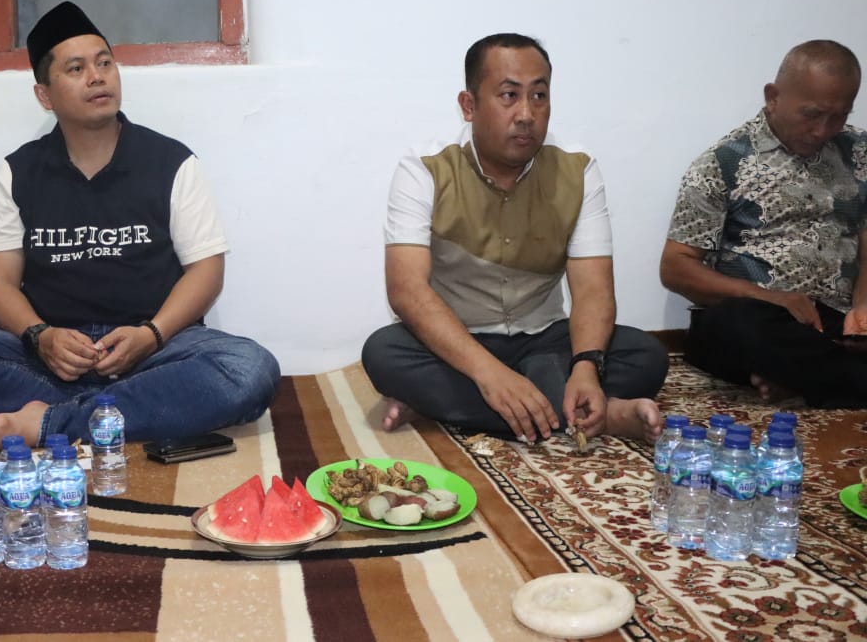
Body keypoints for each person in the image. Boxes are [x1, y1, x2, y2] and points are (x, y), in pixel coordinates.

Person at [0, 2, 279, 446]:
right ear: (45, 95)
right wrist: (41, 337)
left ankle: (49, 421)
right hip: (49, 355)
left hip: (154, 349)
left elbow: (206, 271)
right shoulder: (20, 171)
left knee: (248, 369)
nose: (97, 77)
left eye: (104, 63)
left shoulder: (170, 161)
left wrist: (151, 335)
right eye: (76, 69)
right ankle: (119, 410)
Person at [361, 33, 668, 444]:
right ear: (469, 106)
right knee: (383, 353)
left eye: (539, 96)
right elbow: (407, 291)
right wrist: (490, 374)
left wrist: (585, 367)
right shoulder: (425, 169)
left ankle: (442, 404)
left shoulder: (577, 170)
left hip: (544, 338)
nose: (526, 113)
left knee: (646, 356)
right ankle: (599, 414)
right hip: (457, 343)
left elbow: (593, 290)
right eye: (509, 95)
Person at [660, 40, 867, 409]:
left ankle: (802, 378)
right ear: (773, 97)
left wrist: (863, 307)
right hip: (763, 316)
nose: (823, 130)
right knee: (729, 327)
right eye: (812, 115)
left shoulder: (858, 151)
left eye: (838, 116)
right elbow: (675, 268)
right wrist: (772, 298)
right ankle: (825, 377)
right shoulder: (723, 162)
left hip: (838, 321)